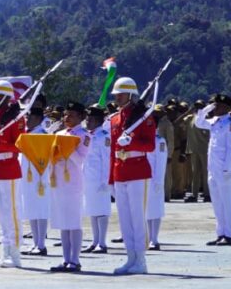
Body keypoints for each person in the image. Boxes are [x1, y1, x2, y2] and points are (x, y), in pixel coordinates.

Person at [108, 76, 156, 275]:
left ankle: (141, 260)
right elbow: (112, 150)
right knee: (125, 219)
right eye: (116, 94)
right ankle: (130, 258)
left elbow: (150, 146)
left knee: (137, 217)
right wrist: (111, 178)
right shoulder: (115, 119)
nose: (117, 97)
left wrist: (132, 143)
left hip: (137, 170)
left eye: (121, 94)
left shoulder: (144, 117)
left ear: (130, 95)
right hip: (120, 171)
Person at [0, 80, 25, 269]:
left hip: (9, 167)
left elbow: (20, 145)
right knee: (0, 213)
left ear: (5, 97)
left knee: (12, 212)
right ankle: (5, 253)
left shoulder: (17, 118)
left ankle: (15, 255)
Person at [194, 94, 231, 245]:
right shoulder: (214, 121)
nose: (215, 107)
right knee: (217, 202)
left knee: (227, 201)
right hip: (213, 168)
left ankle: (229, 235)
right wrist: (206, 109)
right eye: (214, 105)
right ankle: (220, 233)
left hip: (224, 169)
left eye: (217, 105)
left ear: (225, 107)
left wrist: (226, 169)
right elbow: (199, 123)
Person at [49, 102, 89, 272]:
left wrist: (67, 149)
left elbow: (81, 160)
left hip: (73, 182)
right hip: (58, 180)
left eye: (71, 115)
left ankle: (75, 260)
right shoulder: (60, 134)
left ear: (80, 117)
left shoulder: (84, 135)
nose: (67, 118)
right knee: (63, 222)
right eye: (65, 114)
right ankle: (66, 259)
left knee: (74, 222)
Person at [19, 106, 51, 257]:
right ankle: (35, 243)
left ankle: (41, 244)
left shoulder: (42, 135)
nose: (27, 120)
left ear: (38, 119)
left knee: (41, 210)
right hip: (27, 177)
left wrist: (43, 179)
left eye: (30, 117)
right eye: (27, 117)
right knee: (31, 210)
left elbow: (45, 159)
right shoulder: (27, 133)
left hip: (39, 178)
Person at [82, 104, 112, 254]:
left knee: (102, 210)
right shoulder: (88, 135)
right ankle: (95, 241)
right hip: (89, 178)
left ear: (98, 121)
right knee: (92, 211)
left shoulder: (104, 136)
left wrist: (105, 181)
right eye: (87, 119)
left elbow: (106, 160)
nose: (87, 122)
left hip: (100, 179)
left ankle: (102, 242)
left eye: (90, 120)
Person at [146, 107, 169, 250]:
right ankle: (149, 237)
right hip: (144, 179)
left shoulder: (159, 141)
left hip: (155, 179)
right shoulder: (143, 140)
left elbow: (161, 162)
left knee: (156, 210)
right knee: (147, 211)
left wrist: (159, 181)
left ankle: (154, 239)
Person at [185, 100, 211, 202]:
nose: (198, 107)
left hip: (204, 149)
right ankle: (194, 194)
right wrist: (189, 111)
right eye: (196, 106)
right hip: (194, 149)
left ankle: (207, 194)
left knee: (206, 172)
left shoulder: (207, 118)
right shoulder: (191, 118)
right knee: (195, 172)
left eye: (200, 106)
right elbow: (179, 121)